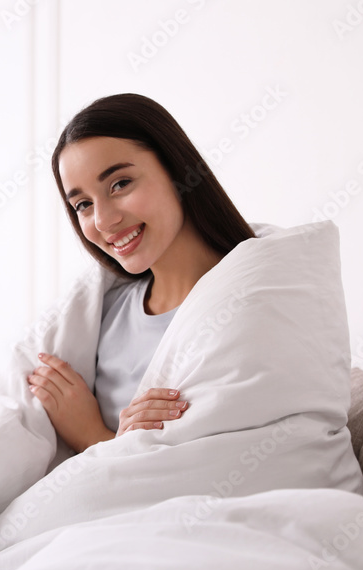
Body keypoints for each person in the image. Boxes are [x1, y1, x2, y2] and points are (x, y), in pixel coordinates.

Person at [27, 94, 256, 453]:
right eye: (83, 205)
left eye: (120, 184)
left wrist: (94, 437)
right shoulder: (106, 315)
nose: (103, 220)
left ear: (177, 169)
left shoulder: (253, 299)